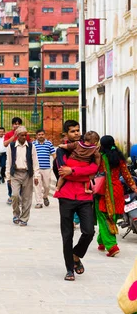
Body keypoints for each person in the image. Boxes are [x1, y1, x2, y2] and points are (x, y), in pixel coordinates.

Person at [53, 120, 98, 281]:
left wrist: (73, 170)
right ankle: (69, 269)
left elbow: (95, 168)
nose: (77, 133)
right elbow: (61, 171)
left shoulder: (89, 147)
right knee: (67, 235)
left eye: (78, 130)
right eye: (73, 131)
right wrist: (82, 173)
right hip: (66, 196)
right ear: (66, 134)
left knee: (89, 231)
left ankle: (76, 255)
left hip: (85, 196)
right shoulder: (62, 150)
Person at [96, 136, 137, 257]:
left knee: (103, 217)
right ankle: (101, 241)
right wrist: (134, 187)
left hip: (104, 189)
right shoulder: (119, 158)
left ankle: (111, 245)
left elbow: (94, 171)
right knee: (112, 216)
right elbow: (126, 175)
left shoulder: (101, 157)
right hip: (117, 189)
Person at [5, 126, 39, 227]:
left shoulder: (31, 146)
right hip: (15, 174)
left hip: (27, 174)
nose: (24, 137)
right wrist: (8, 177)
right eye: (22, 135)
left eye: (25, 135)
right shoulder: (11, 146)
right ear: (17, 136)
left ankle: (24, 218)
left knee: (27, 198)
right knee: (15, 195)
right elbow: (9, 162)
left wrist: (36, 176)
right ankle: (16, 214)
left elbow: (35, 162)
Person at [33, 129, 56, 209]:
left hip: (46, 168)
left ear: (44, 135)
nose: (41, 136)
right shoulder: (33, 144)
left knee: (47, 185)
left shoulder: (49, 144)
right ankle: (39, 202)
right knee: (37, 186)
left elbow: (53, 154)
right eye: (39, 135)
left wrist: (56, 164)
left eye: (42, 134)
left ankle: (45, 196)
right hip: (36, 169)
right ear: (36, 136)